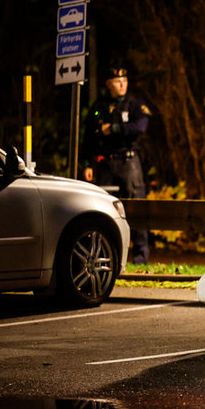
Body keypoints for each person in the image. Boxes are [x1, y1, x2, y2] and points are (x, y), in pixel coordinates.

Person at [82, 65, 151, 264]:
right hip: (106, 163)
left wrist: (114, 128)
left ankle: (140, 258)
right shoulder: (99, 107)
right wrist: (88, 164)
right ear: (109, 84)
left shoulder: (135, 104)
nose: (122, 84)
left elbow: (140, 126)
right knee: (104, 210)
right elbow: (88, 138)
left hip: (130, 162)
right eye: (117, 82)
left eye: (125, 81)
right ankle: (107, 257)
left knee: (136, 208)